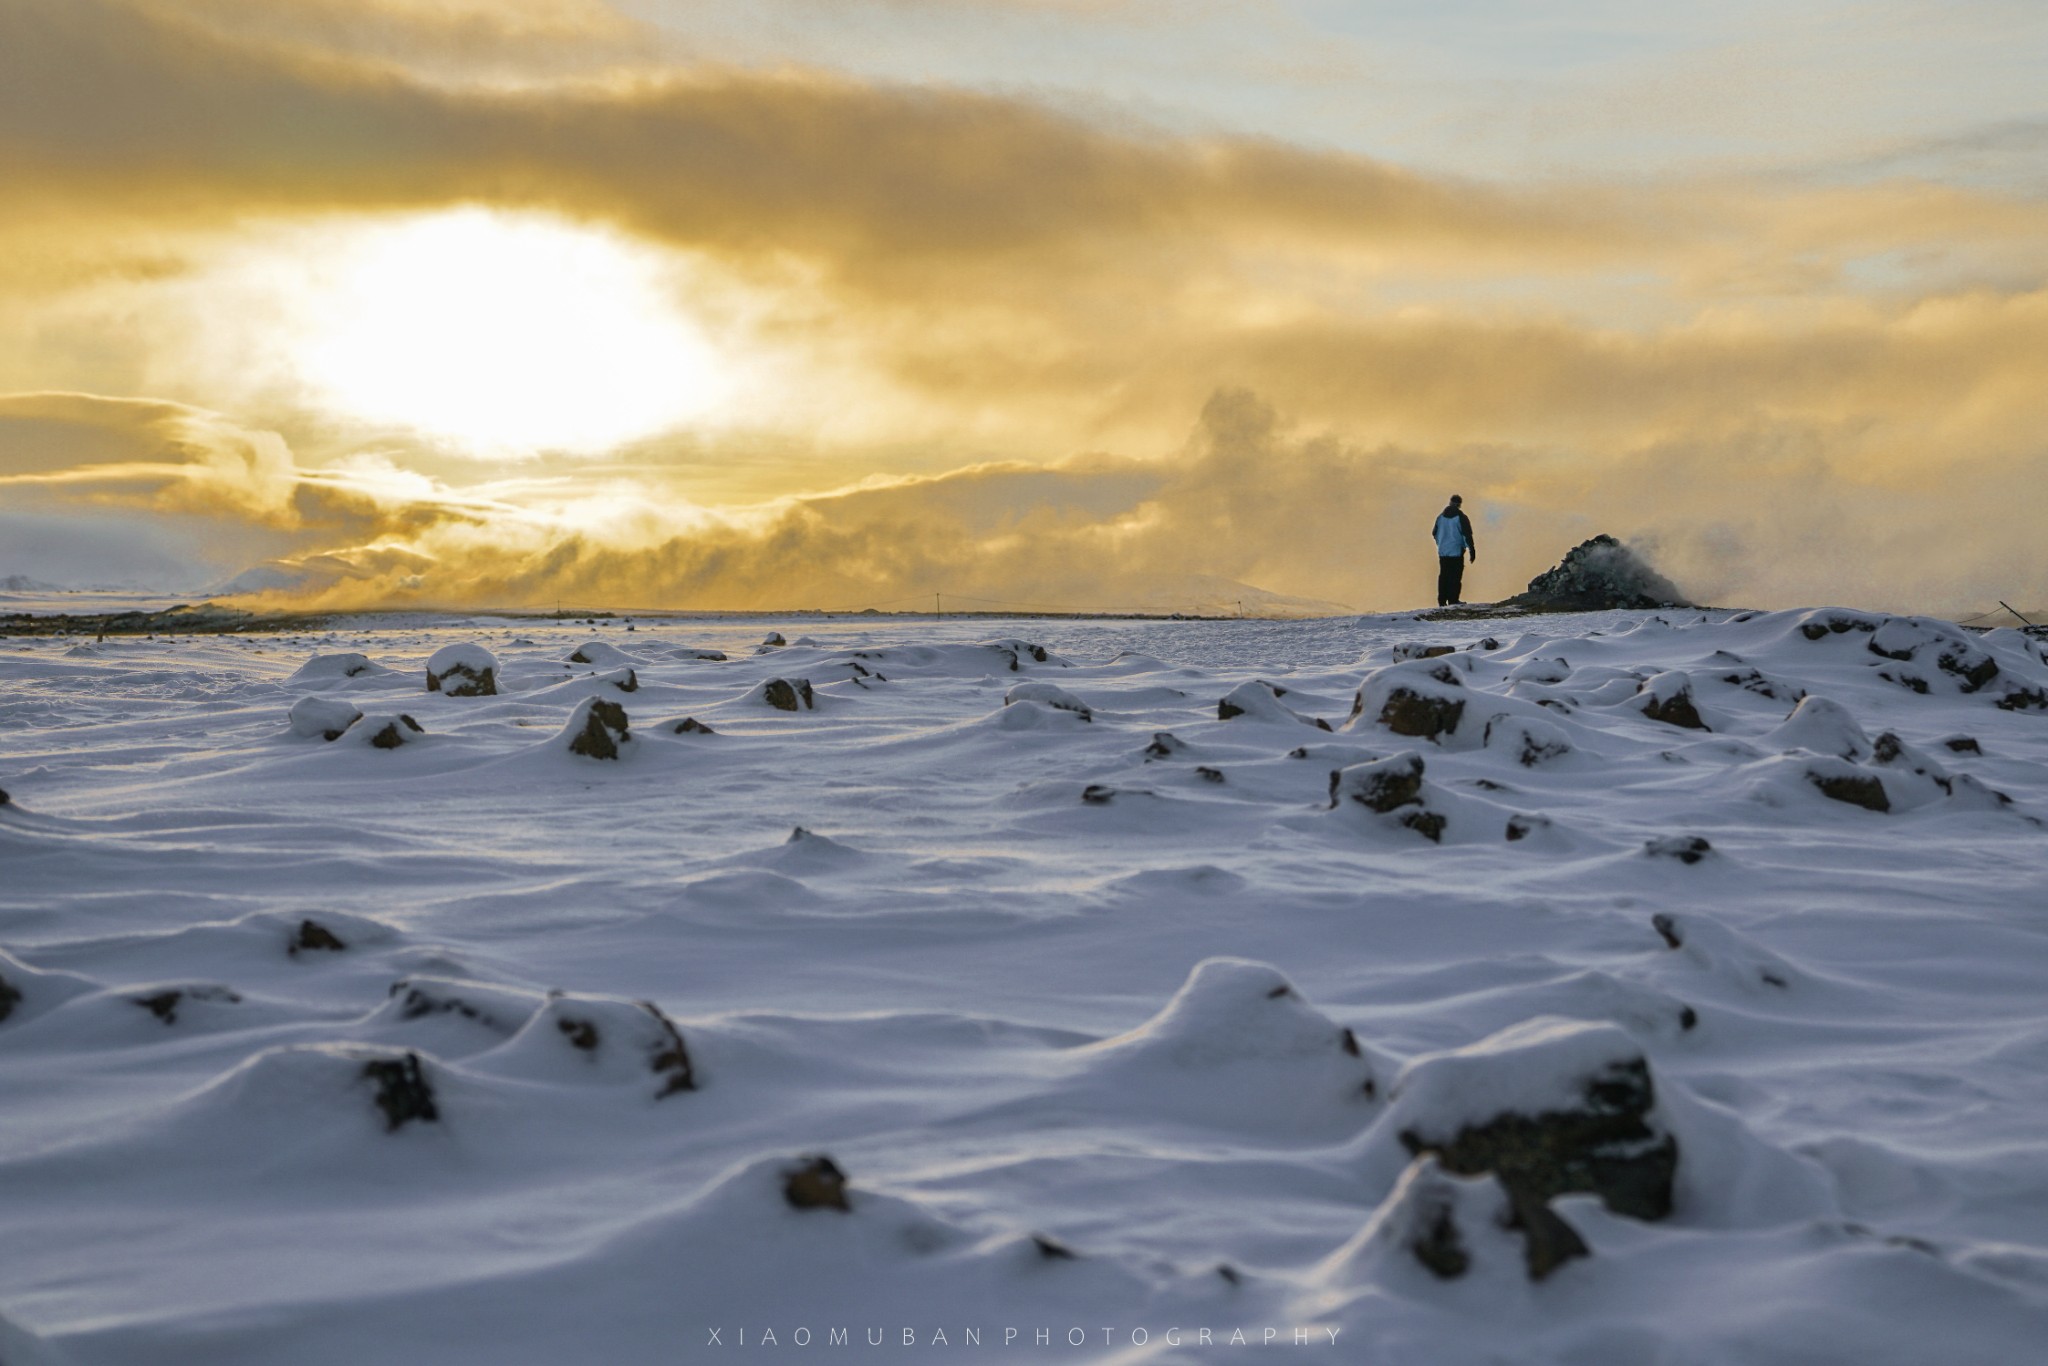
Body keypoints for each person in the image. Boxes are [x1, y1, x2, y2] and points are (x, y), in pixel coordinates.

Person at [1431, 494, 1476, 606]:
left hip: (1443, 551)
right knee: (1455, 577)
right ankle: (1453, 600)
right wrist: (1471, 550)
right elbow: (1467, 535)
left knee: (1444, 575)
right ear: (1459, 505)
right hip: (1456, 551)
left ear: (1450, 502)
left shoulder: (1440, 517)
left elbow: (1434, 533)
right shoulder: (1461, 517)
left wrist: (1440, 544)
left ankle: (1441, 601)